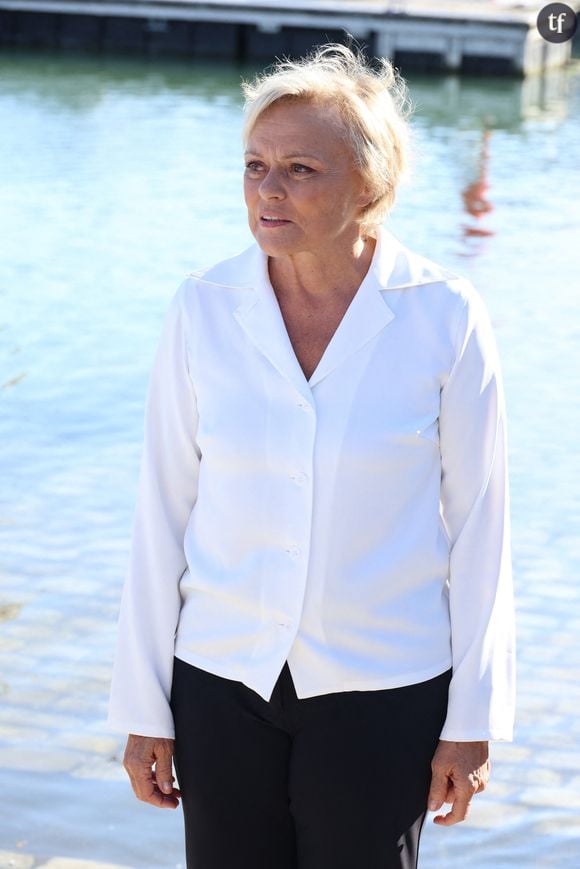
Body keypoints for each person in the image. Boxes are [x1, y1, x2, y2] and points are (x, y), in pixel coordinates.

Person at [108, 43, 515, 869]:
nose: (268, 188)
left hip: (385, 690)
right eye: (255, 165)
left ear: (371, 185)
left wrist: (472, 718)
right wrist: (143, 703)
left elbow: (482, 528)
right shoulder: (203, 307)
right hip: (221, 683)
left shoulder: (444, 315)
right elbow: (163, 510)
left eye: (300, 168)